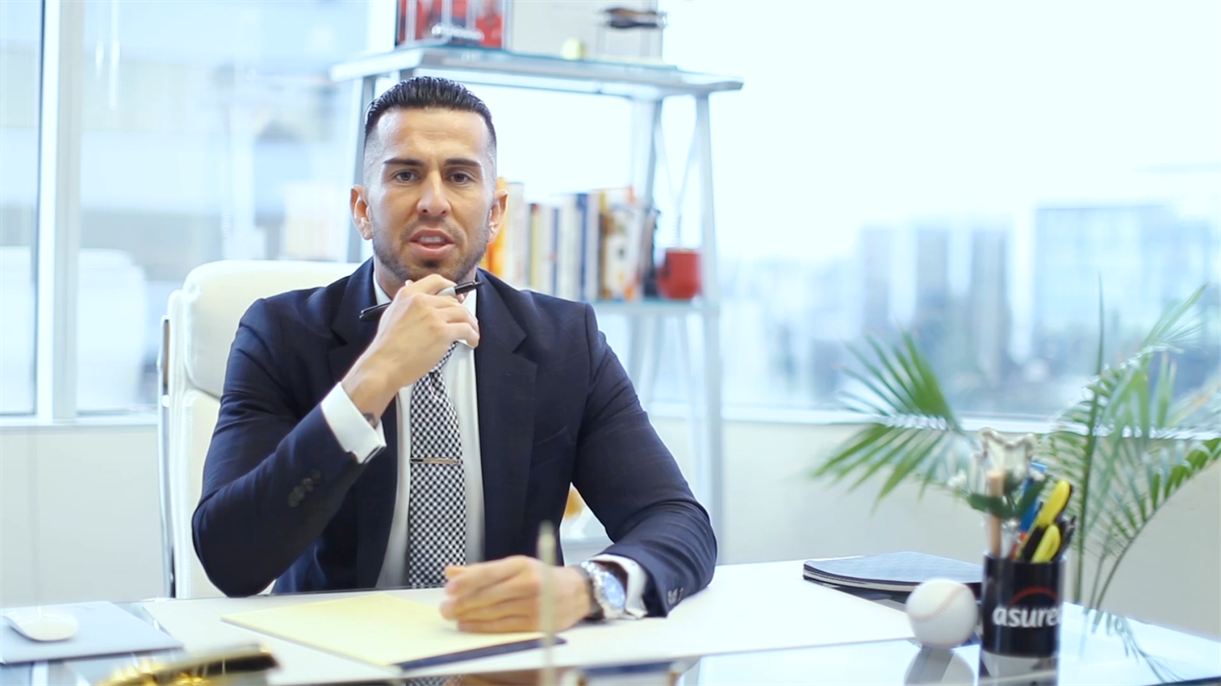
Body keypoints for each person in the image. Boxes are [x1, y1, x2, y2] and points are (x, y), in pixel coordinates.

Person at [192, 76, 716, 633]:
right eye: (405, 174)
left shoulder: (567, 342)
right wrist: (372, 377)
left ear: (495, 212)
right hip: (336, 653)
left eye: (460, 176)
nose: (434, 201)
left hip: (505, 652)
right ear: (362, 209)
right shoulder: (280, 334)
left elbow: (677, 521)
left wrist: (590, 587)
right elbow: (230, 558)